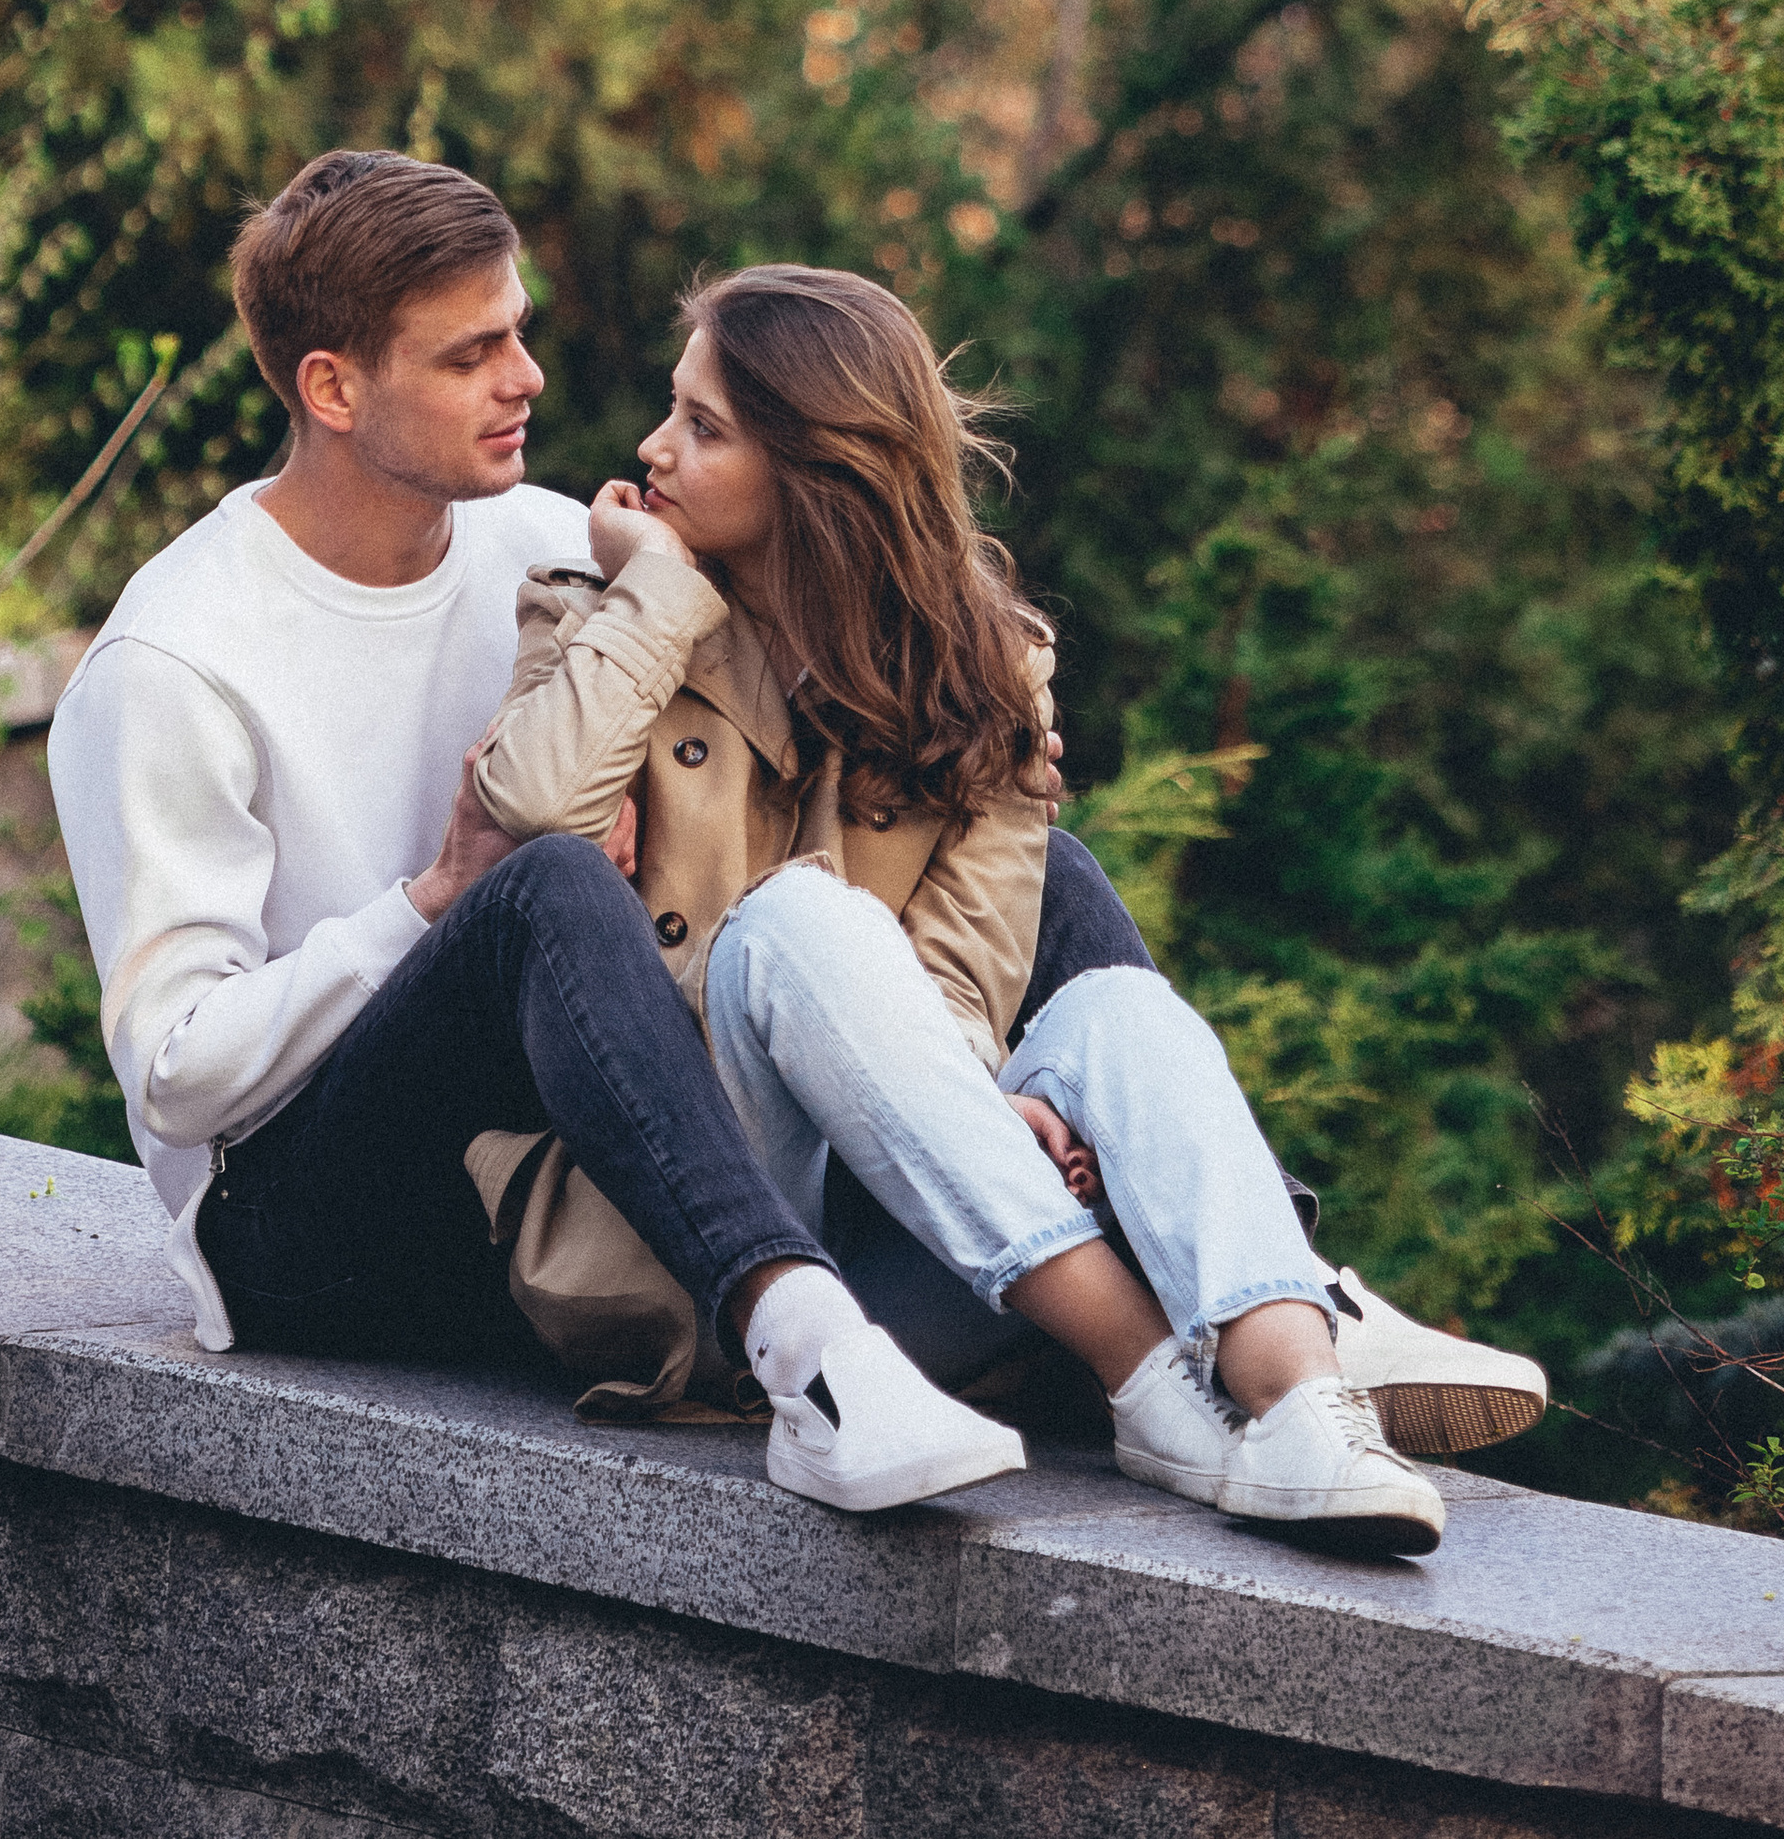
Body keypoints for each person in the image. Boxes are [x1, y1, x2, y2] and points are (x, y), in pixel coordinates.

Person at [468, 263, 1546, 1559]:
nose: (653, 448)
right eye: (674, 411)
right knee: (799, 924)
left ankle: (1296, 1387)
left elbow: (962, 996)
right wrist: (665, 593)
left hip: (914, 1267)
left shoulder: (982, 674)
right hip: (697, 1255)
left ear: (823, 470)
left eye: (704, 424)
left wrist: (993, 1097)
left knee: (1115, 1012)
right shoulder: (605, 619)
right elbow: (530, 818)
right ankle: (1156, 1377)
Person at [50, 151, 1063, 1514]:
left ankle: (1249, 1277)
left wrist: (985, 720)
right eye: (473, 352)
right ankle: (813, 1357)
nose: (526, 374)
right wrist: (430, 900)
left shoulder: (548, 539)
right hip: (310, 1228)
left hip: (560, 1164)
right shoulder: (176, 657)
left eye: (517, 328)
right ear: (334, 388)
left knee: (1019, 810)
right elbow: (177, 1079)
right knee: (538, 890)